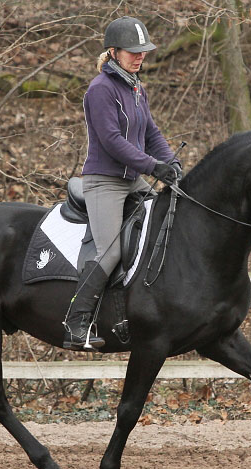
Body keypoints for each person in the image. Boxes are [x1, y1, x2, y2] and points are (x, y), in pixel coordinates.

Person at [63, 16, 181, 351]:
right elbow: (113, 142)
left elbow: (152, 133)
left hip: (132, 180)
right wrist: (153, 166)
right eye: (133, 51)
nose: (140, 56)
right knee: (111, 249)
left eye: (143, 51)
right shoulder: (100, 90)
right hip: (104, 183)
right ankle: (77, 323)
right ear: (114, 52)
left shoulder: (136, 87)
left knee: (164, 219)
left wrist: (171, 163)